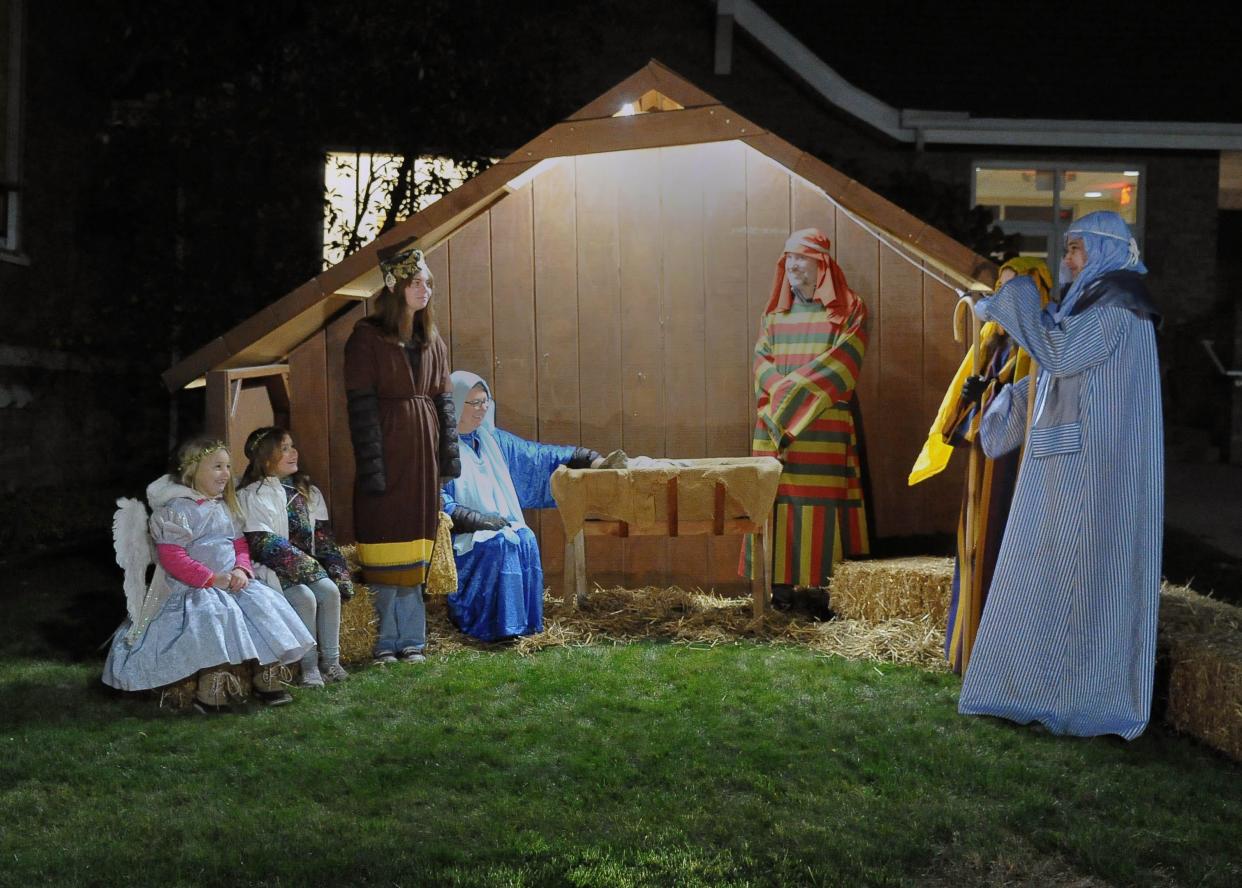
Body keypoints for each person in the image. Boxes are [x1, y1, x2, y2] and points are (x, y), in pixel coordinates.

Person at [958, 211, 1162, 739]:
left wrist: (1019, 293)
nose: (1066, 261)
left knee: (1083, 580)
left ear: (1102, 252)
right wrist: (1007, 408)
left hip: (1094, 473)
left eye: (1074, 250)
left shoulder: (1120, 305)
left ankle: (1080, 694)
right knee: (1047, 578)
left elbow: (1060, 353)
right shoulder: (1095, 302)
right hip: (1071, 466)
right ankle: (1033, 687)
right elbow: (1056, 367)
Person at [908, 258, 1053, 673]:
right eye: (1000, 290)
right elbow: (962, 408)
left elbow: (1027, 412)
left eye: (1013, 290)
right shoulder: (991, 339)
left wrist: (987, 395)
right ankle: (965, 651)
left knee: (1003, 553)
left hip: (1014, 472)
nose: (1003, 300)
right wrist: (974, 397)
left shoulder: (1036, 344)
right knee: (973, 549)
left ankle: (1000, 660)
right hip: (983, 464)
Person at [102, 437, 315, 710]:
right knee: (214, 619)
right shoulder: (179, 510)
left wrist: (241, 568)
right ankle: (211, 689)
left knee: (267, 607)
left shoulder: (224, 507)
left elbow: (238, 543)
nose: (226, 473)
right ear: (192, 471)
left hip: (232, 581)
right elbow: (172, 556)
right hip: (197, 587)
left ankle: (267, 677)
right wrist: (211, 579)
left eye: (227, 466)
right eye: (217, 467)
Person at [739, 228, 870, 616]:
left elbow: (844, 365)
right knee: (774, 501)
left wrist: (786, 397)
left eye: (801, 258)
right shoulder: (775, 315)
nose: (793, 266)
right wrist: (782, 401)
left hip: (823, 428)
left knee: (820, 505)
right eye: (788, 259)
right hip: (774, 431)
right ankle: (776, 591)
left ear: (822, 263)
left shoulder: (849, 310)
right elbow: (760, 363)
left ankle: (820, 592)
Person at [344, 246, 460, 665]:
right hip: (387, 451)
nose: (424, 289)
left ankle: (412, 639)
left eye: (428, 282)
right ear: (393, 286)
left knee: (415, 547)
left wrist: (448, 461)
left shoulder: (432, 340)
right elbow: (361, 408)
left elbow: (444, 403)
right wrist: (373, 468)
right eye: (415, 282)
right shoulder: (367, 337)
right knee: (384, 546)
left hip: (422, 457)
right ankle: (383, 640)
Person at [442, 370, 605, 642]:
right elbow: (436, 499)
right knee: (499, 545)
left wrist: (583, 457)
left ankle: (524, 626)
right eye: (474, 403)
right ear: (456, 404)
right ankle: (491, 627)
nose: (482, 410)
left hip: (499, 525)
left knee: (524, 537)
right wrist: (475, 520)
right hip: (464, 534)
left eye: (485, 402)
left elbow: (538, 457)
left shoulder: (495, 441)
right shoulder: (441, 449)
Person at [237, 426, 353, 687]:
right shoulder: (251, 496)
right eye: (285, 448)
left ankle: (332, 663)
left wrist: (337, 570)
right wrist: (310, 568)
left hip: (307, 568)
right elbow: (263, 543)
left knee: (330, 592)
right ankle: (309, 667)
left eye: (292, 446)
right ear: (266, 458)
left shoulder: (307, 492)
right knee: (305, 598)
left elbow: (322, 538)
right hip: (272, 570)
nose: (294, 452)